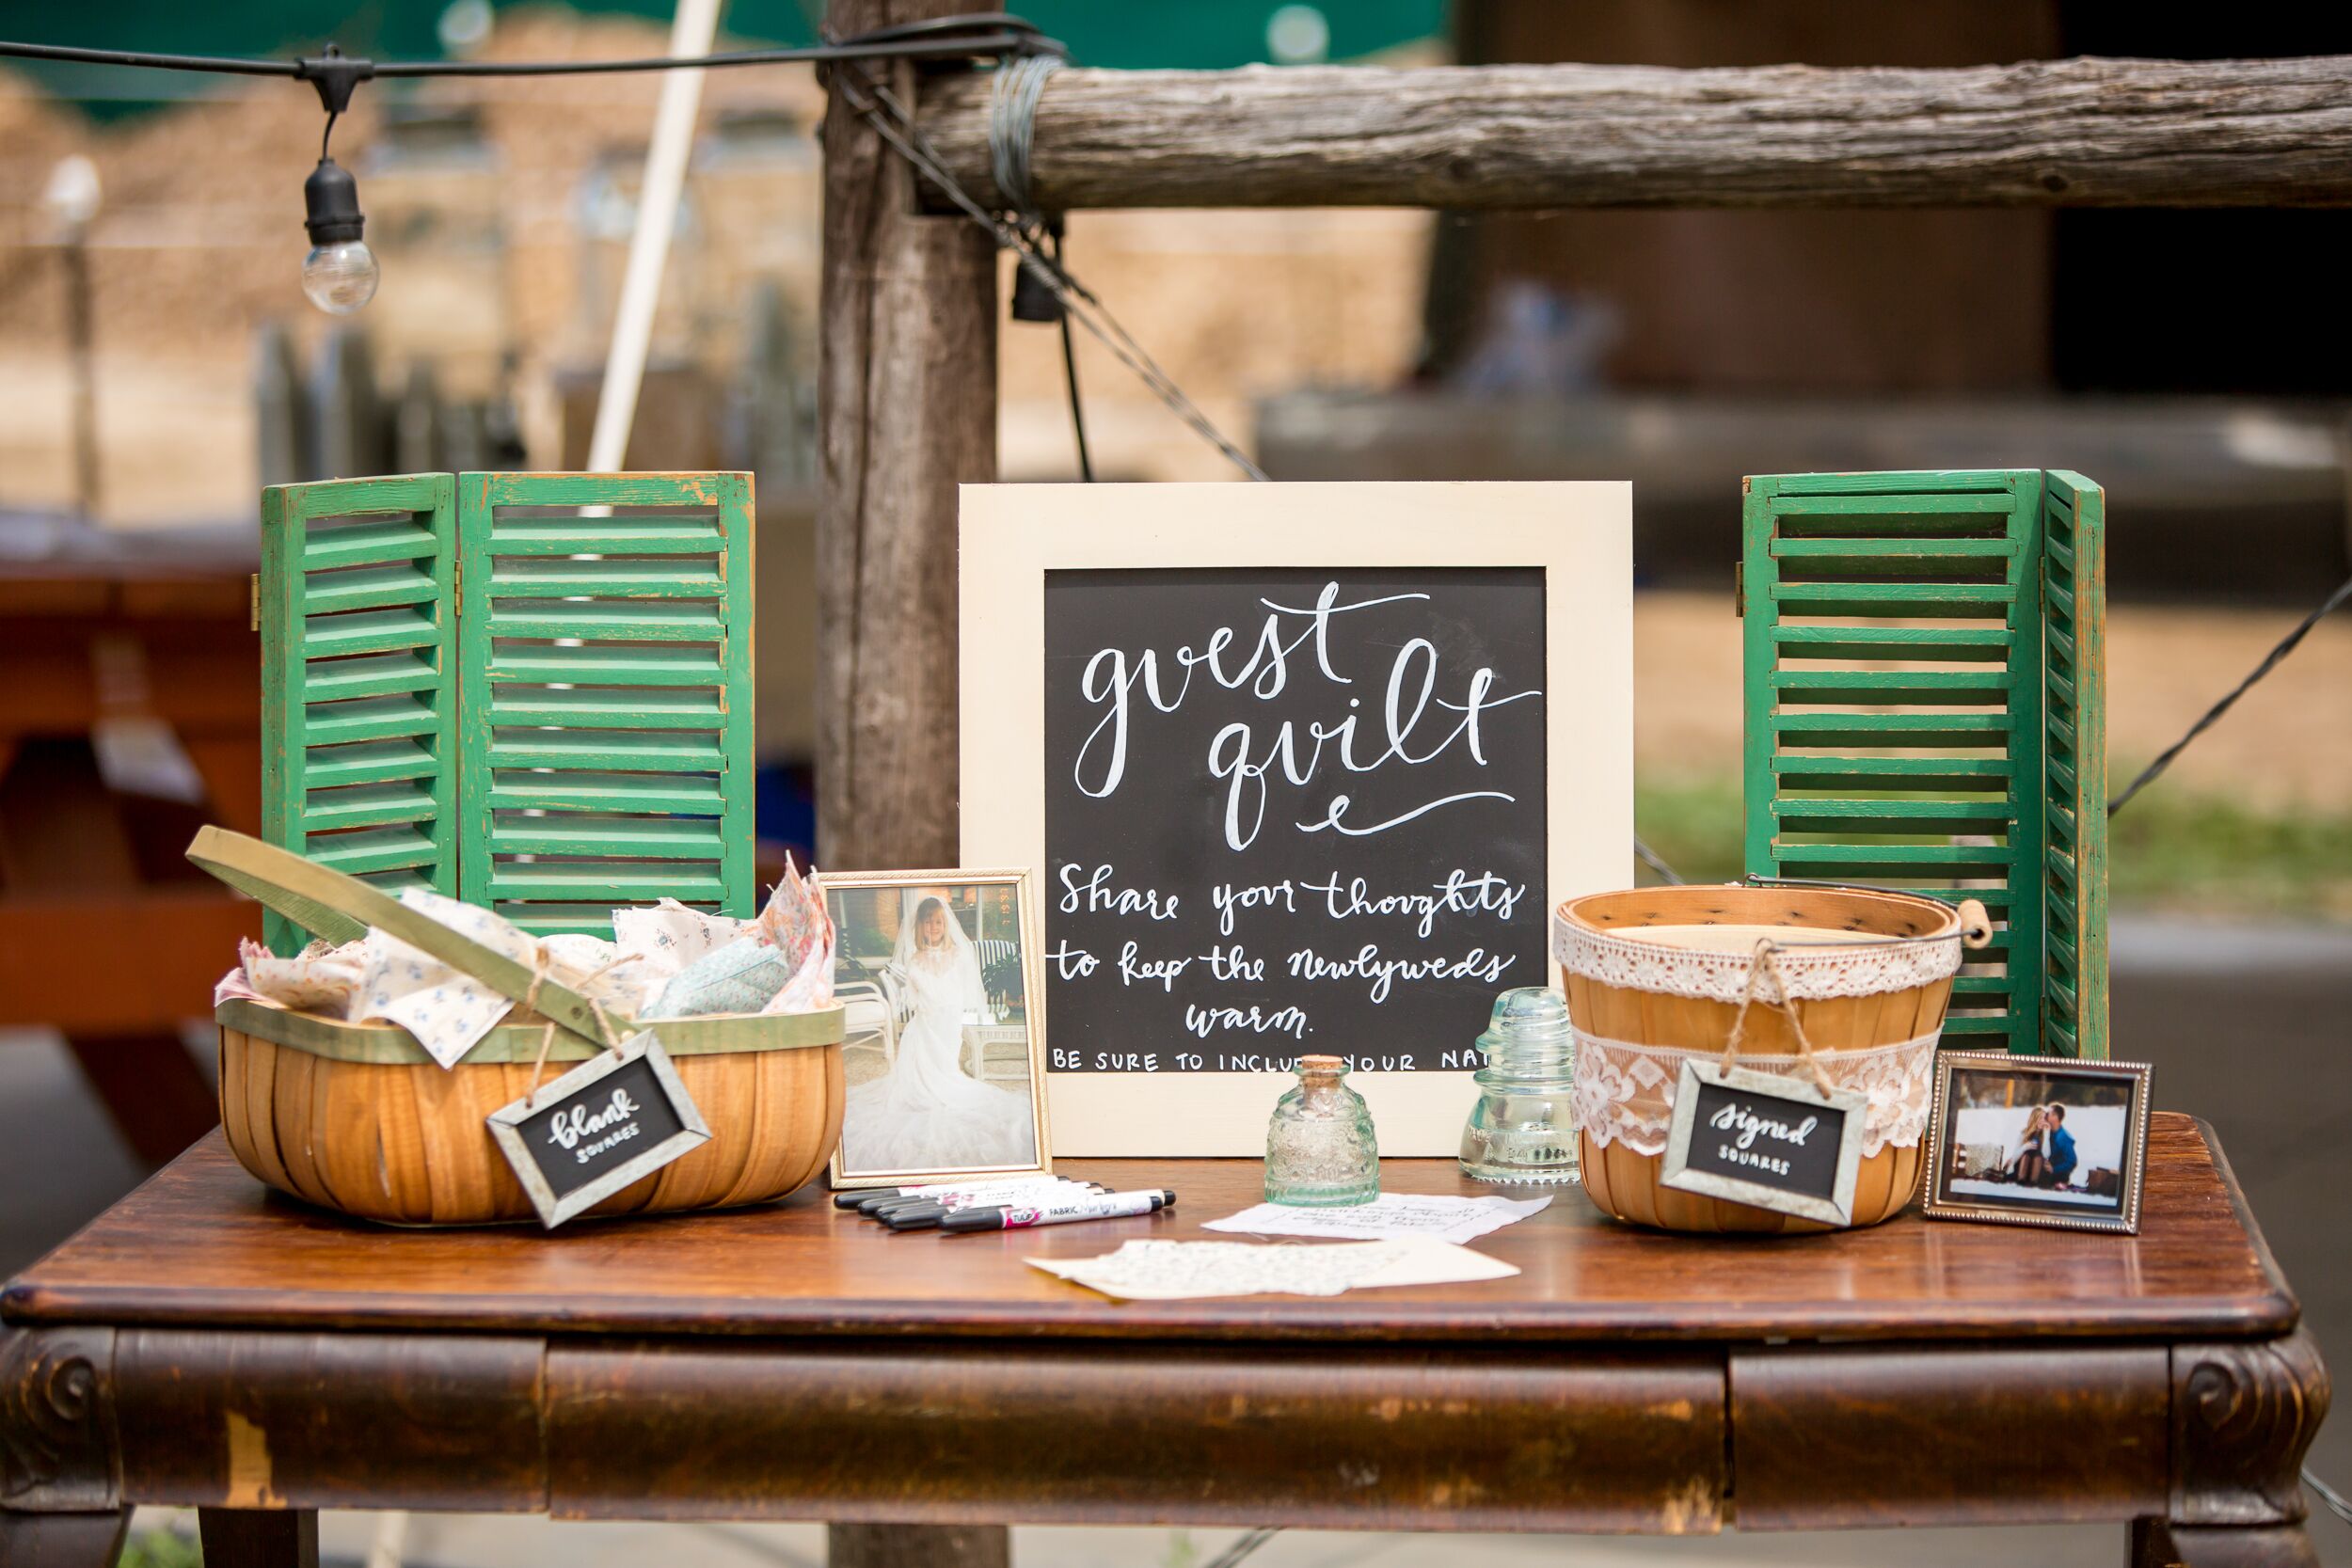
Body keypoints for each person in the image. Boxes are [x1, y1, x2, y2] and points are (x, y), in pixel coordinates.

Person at [839, 895, 1035, 1172]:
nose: (934, 926)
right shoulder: (915, 959)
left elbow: (963, 989)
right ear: (919, 926)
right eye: (928, 922)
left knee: (947, 1070)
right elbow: (914, 998)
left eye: (939, 922)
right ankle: (925, 1084)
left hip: (948, 1021)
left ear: (946, 925)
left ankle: (946, 1077)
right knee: (916, 1073)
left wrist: (946, 1006)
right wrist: (919, 997)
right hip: (925, 1023)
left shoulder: (958, 953)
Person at [2003, 1105, 2051, 1185]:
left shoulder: (2045, 1134)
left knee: (2037, 1153)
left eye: (2044, 1118)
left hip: (2037, 1169)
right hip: (2023, 1167)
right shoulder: (2024, 1133)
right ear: (2034, 1119)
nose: (2043, 1121)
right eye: (2040, 1118)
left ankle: (2033, 1181)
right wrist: (2025, 1147)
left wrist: (2047, 1134)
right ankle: (2021, 1179)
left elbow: (2046, 1155)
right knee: (2027, 1152)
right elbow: (2014, 1158)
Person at [2040, 1102, 2078, 1189]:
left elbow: (2072, 1161)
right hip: (2046, 1169)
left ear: (2055, 1117)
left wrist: (2054, 1169)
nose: (2046, 1115)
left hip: (2058, 1175)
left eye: (2048, 1113)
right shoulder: (2047, 1131)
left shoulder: (2063, 1137)